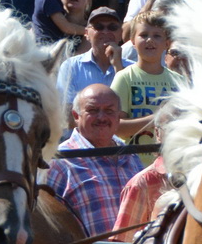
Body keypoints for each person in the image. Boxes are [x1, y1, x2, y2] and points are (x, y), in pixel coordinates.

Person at [46, 84, 140, 236]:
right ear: (76, 116)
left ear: (118, 117)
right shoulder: (59, 162)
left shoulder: (132, 157)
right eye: (93, 110)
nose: (102, 117)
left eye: (109, 111)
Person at [109, 12, 178, 148]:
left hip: (170, 162)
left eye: (157, 36)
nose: (150, 40)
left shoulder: (179, 81)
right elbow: (115, 127)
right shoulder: (124, 78)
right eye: (144, 35)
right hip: (133, 163)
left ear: (167, 43)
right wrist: (157, 118)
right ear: (133, 41)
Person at [56, 7, 124, 107]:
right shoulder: (71, 67)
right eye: (98, 27)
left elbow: (130, 108)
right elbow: (65, 111)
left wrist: (119, 67)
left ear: (120, 34)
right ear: (87, 34)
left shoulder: (132, 68)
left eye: (112, 27)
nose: (105, 32)